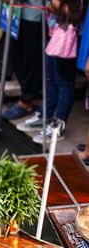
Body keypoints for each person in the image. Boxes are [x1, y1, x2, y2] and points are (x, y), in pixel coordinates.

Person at [32, 0, 84, 144]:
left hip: (69, 36)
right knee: (50, 77)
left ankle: (58, 125)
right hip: (56, 32)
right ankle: (46, 116)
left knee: (64, 81)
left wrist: (55, 3)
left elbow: (74, 14)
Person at [1, 0, 46, 124]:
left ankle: (27, 100)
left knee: (32, 57)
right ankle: (32, 97)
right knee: (16, 54)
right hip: (17, 10)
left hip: (36, 12)